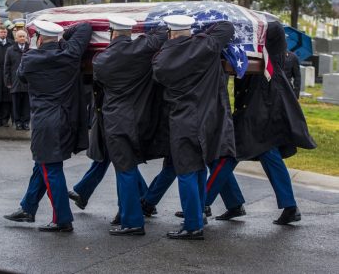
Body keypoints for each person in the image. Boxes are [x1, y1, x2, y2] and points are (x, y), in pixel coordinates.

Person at [205, 21, 316, 225]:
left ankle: (203, 204)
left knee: (228, 153)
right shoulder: (260, 52)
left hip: (261, 110)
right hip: (256, 110)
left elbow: (272, 30)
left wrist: (251, 25)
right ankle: (287, 206)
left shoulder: (272, 41)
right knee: (267, 153)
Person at [70, 16, 168, 236]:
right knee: (128, 169)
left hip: (115, 122)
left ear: (111, 33)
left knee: (125, 171)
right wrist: (145, 31)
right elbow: (162, 33)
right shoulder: (142, 48)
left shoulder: (101, 60)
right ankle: (126, 213)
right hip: (141, 119)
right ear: (129, 32)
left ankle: (132, 221)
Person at [151, 15, 235, 240]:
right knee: (198, 170)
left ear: (170, 33)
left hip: (183, 120)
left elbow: (158, 76)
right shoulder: (206, 45)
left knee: (187, 172)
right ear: (188, 30)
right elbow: (227, 27)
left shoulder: (162, 60)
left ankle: (192, 225)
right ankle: (197, 218)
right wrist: (201, 28)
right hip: (208, 119)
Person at [3, 20, 92, 232]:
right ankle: (28, 207)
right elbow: (86, 27)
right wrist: (64, 38)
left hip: (45, 122)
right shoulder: (70, 54)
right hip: (66, 120)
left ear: (39, 39)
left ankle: (62, 219)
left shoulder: (30, 58)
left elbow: (21, 77)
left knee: (51, 169)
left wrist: (57, 41)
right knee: (42, 164)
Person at [4, 30, 30, 131]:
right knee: (16, 104)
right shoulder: (10, 50)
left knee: (27, 104)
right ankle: (18, 122)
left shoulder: (30, 50)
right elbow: (7, 67)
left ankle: (26, 122)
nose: (22, 38)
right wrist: (8, 81)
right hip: (15, 82)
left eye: (24, 36)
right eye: (20, 36)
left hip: (28, 82)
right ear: (16, 38)